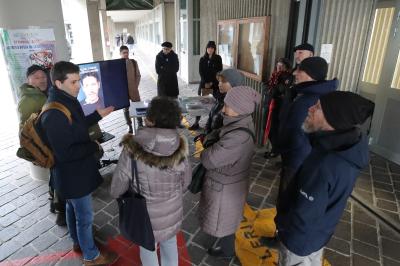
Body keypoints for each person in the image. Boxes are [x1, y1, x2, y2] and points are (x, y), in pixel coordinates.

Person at [276, 91, 374, 265]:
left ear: (334, 120)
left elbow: (304, 216)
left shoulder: (325, 164)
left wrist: (285, 233)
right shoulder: (347, 147)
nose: (311, 108)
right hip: (319, 234)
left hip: (299, 243)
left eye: (318, 107)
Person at [40, 61, 117, 265]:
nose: (78, 86)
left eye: (78, 81)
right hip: (72, 174)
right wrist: (94, 147)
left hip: (73, 174)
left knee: (71, 209)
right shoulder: (54, 114)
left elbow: (76, 125)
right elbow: (65, 153)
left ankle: (77, 242)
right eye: (73, 82)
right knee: (85, 218)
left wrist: (96, 116)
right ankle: (91, 256)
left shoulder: (65, 100)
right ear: (58, 83)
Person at [110, 97, 192, 266]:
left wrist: (119, 195)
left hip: (144, 216)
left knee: (148, 248)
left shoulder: (132, 149)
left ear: (151, 121)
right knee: (170, 243)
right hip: (172, 211)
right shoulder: (180, 146)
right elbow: (186, 181)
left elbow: (117, 187)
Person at [199, 86, 261, 259]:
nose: (223, 109)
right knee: (229, 220)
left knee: (225, 221)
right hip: (233, 183)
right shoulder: (243, 121)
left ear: (240, 110)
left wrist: (207, 148)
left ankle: (226, 253)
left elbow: (208, 160)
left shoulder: (237, 137)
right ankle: (227, 248)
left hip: (225, 188)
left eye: (227, 105)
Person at [276, 57, 338, 205]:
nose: (295, 73)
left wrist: (283, 147)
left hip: (297, 160)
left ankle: (283, 227)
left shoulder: (311, 99)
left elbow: (296, 133)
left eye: (299, 70)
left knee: (288, 202)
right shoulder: (306, 93)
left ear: (311, 74)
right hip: (299, 157)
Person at [189, 41, 223, 130]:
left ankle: (209, 124)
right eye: (208, 48)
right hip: (205, 84)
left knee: (213, 104)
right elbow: (201, 72)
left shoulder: (218, 58)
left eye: (212, 48)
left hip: (215, 85)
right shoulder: (202, 59)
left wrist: (212, 82)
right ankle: (196, 123)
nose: (210, 49)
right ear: (206, 49)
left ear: (214, 49)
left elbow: (219, 71)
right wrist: (206, 82)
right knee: (201, 104)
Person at [263, 58, 292, 159]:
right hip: (269, 104)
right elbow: (267, 87)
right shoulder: (274, 75)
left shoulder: (288, 77)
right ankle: (275, 149)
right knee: (266, 127)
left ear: (286, 68)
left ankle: (275, 150)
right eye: (277, 66)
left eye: (281, 66)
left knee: (274, 129)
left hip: (278, 108)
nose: (279, 68)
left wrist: (274, 90)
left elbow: (281, 90)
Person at [120, 45, 143, 132]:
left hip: (133, 89)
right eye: (124, 53)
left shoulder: (133, 62)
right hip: (123, 91)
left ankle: (140, 123)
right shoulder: (117, 64)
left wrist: (135, 86)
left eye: (127, 52)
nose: (126, 54)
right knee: (125, 109)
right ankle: (129, 125)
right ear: (120, 53)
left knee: (137, 106)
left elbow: (138, 75)